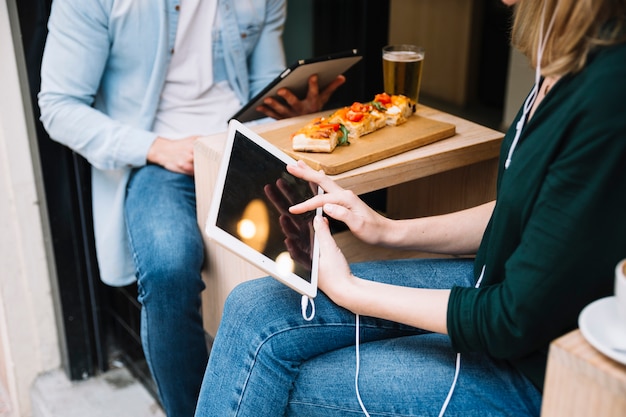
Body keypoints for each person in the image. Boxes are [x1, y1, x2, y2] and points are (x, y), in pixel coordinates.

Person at [193, 0, 626, 415]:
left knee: (278, 375)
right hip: (488, 284)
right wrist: (384, 229)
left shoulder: (607, 95)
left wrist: (352, 291)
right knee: (252, 308)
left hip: (532, 369)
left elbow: (512, 320)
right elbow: (520, 213)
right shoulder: (563, 59)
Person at [37, 0, 344, 416]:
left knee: (308, 264)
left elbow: (262, 93)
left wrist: (292, 112)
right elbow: (58, 106)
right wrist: (157, 148)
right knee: (167, 272)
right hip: (159, 160)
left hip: (243, 147)